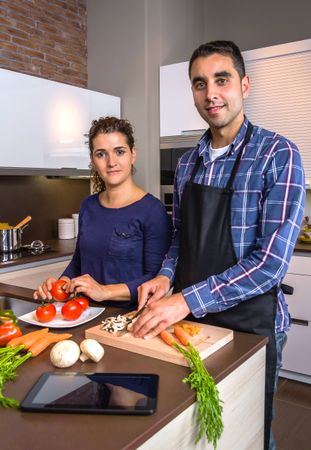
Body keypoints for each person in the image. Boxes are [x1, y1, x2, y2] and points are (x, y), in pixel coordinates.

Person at [132, 41, 305, 449]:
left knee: (249, 432)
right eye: (199, 83)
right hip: (194, 325)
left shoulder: (278, 154)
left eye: (221, 79)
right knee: (199, 431)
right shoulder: (189, 162)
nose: (210, 93)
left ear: (244, 85)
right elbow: (180, 236)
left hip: (252, 326)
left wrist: (184, 300)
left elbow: (270, 265)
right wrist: (164, 276)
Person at [34, 116, 172, 308]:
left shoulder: (152, 210)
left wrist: (104, 291)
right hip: (84, 313)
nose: (111, 162)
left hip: (129, 320)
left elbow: (155, 279)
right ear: (92, 160)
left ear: (133, 154)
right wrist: (62, 283)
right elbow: (79, 261)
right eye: (101, 154)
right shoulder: (88, 206)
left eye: (119, 152)